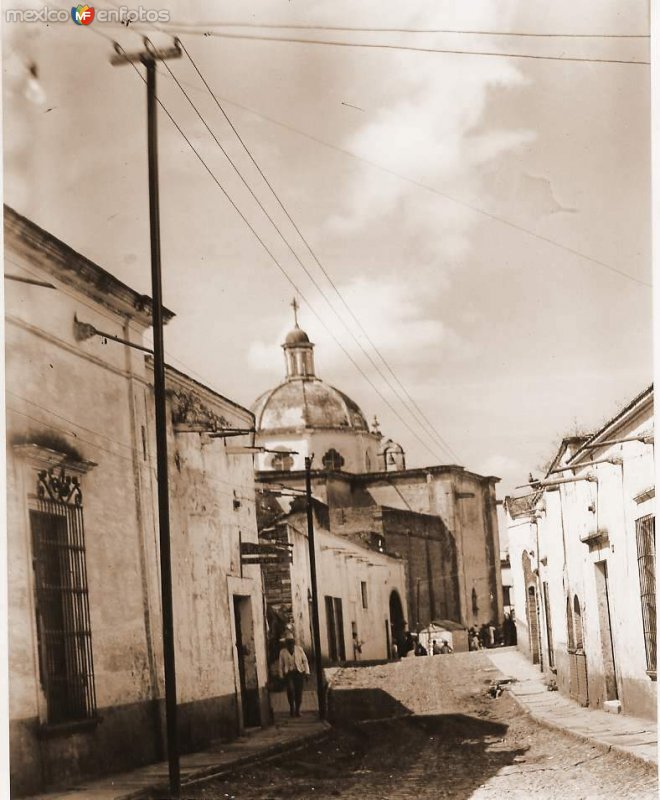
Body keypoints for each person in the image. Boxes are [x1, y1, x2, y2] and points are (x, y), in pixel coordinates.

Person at [278, 634, 310, 717]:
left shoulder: (299, 649)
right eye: (288, 643)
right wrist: (281, 676)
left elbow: (305, 661)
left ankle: (297, 710)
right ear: (286, 643)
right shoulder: (282, 652)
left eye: (291, 642)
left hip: (298, 673)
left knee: (298, 692)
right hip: (289, 674)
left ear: (294, 642)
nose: (290, 645)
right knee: (291, 690)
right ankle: (292, 707)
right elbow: (280, 665)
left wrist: (307, 672)